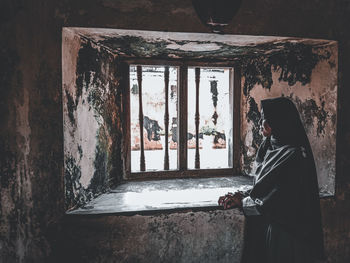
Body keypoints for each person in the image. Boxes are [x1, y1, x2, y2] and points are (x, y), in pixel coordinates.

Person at [218, 97, 324, 263]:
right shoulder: (270, 145)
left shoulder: (294, 154)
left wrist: (243, 201)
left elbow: (279, 199)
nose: (261, 122)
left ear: (280, 121)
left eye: (265, 118)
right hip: (269, 228)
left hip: (288, 233)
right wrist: (242, 194)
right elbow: (264, 185)